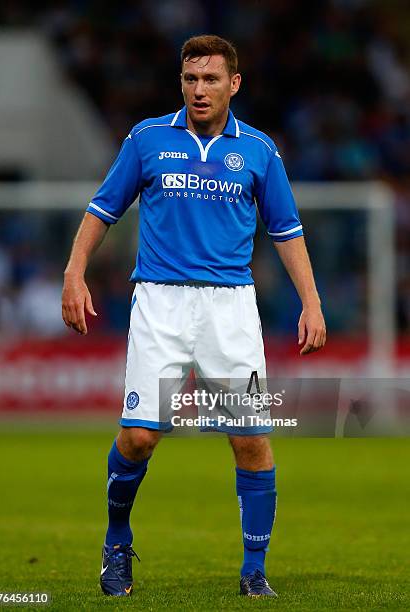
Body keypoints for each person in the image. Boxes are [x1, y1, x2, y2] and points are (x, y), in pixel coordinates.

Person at [62, 34, 326, 598]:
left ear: (234, 84)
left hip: (230, 308)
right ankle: (115, 541)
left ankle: (255, 572)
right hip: (160, 302)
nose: (198, 90)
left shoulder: (259, 150)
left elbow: (286, 230)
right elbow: (102, 209)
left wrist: (311, 301)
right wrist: (74, 271)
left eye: (210, 79)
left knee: (251, 439)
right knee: (138, 437)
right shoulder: (149, 138)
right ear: (180, 82)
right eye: (190, 79)